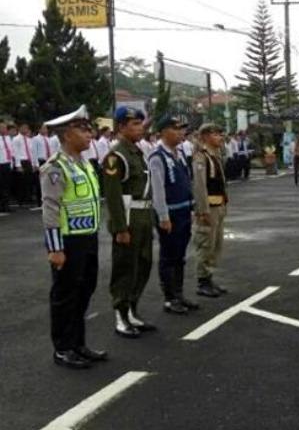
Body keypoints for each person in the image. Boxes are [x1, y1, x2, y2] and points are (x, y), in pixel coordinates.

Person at [40, 105, 106, 369]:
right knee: (65, 295)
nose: (89, 134)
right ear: (67, 135)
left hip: (87, 237)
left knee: (84, 291)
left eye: (89, 129)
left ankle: (78, 343)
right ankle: (63, 348)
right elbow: (51, 209)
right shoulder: (55, 167)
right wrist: (55, 249)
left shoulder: (84, 165)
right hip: (68, 241)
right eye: (83, 129)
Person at [103, 107, 156, 338]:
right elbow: (113, 197)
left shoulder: (137, 152)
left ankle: (132, 310)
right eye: (134, 125)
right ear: (121, 127)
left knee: (143, 265)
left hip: (143, 217)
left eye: (140, 124)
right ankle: (120, 315)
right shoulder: (116, 156)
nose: (140, 129)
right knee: (125, 268)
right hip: (128, 219)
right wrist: (120, 228)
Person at [149, 115, 198, 314]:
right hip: (170, 214)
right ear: (163, 132)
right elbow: (158, 189)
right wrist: (163, 216)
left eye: (181, 129)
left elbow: (186, 181)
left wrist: (192, 205)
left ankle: (179, 294)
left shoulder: (178, 154)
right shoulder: (157, 157)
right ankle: (169, 298)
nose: (181, 133)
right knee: (168, 256)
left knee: (180, 256)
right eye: (175, 129)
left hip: (184, 210)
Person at [192, 124, 229, 298]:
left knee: (215, 245)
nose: (220, 137)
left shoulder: (215, 155)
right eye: (216, 134)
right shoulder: (202, 156)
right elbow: (200, 186)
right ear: (206, 136)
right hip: (208, 208)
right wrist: (202, 210)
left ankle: (209, 277)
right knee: (205, 243)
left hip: (219, 205)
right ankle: (202, 281)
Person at [12, 123, 38, 206]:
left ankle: (28, 198)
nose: (25, 129)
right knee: (21, 182)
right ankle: (20, 200)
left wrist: (34, 164)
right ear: (20, 128)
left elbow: (33, 152)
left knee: (29, 181)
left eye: (26, 128)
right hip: (22, 161)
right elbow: (16, 153)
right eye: (23, 128)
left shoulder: (29, 139)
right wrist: (18, 165)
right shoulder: (16, 139)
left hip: (28, 161)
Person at [33, 124, 54, 206]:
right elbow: (34, 152)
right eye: (43, 128)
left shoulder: (48, 139)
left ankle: (48, 199)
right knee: (40, 182)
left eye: (46, 128)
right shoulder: (36, 139)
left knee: (49, 181)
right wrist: (36, 164)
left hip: (48, 161)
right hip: (41, 161)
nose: (45, 130)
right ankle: (39, 201)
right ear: (39, 129)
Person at [0, 122, 14, 212]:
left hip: (7, 163)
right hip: (0, 164)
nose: (5, 129)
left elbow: (11, 151)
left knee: (6, 185)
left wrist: (11, 163)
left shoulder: (8, 138)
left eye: (5, 128)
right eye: (3, 128)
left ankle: (6, 205)